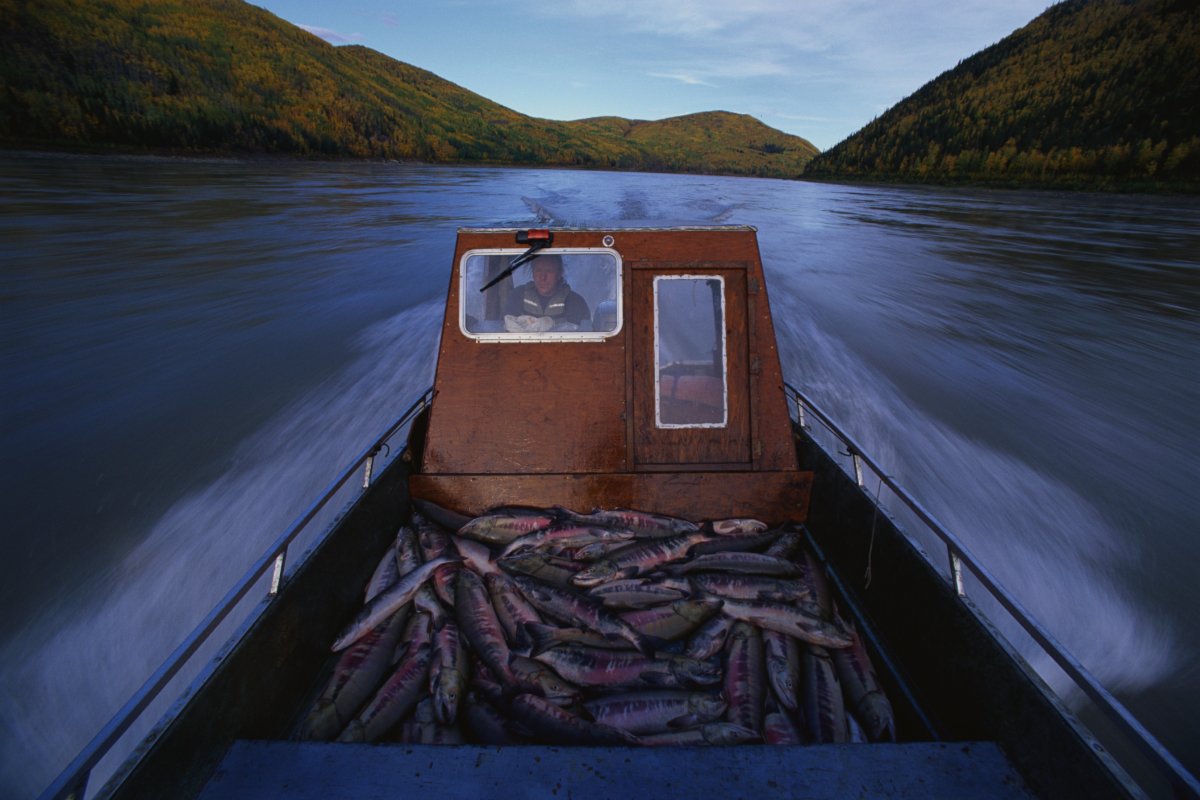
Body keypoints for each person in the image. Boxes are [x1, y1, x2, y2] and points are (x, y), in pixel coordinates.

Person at [503, 254, 590, 326]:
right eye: (538, 270)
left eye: (549, 271)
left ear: (559, 274)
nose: (542, 277)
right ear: (533, 273)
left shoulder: (575, 303)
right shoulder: (517, 296)